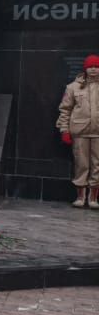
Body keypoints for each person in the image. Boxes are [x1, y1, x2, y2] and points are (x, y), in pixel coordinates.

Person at [57, 54, 99, 208]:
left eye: (96, 66)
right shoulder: (73, 87)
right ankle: (80, 197)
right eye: (90, 67)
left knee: (97, 165)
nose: (94, 69)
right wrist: (65, 130)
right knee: (81, 164)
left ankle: (93, 198)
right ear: (85, 69)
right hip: (79, 132)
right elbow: (65, 110)